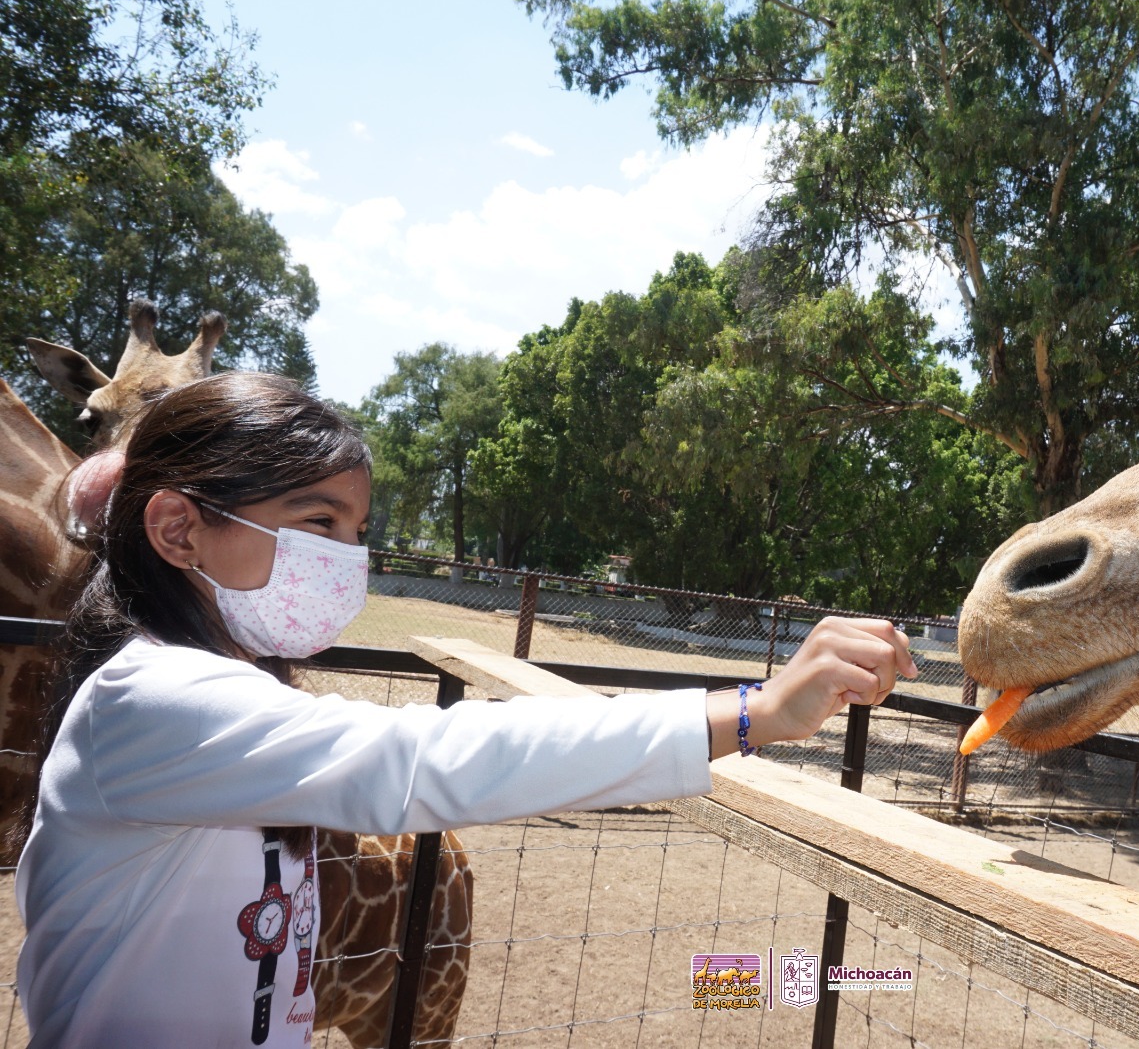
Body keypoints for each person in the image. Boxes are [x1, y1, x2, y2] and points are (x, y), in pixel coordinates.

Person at [17, 372, 915, 1047]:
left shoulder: (219, 693)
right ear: (178, 529)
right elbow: (421, 763)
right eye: (317, 524)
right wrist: (752, 712)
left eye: (357, 533)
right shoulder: (154, 701)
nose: (344, 560)